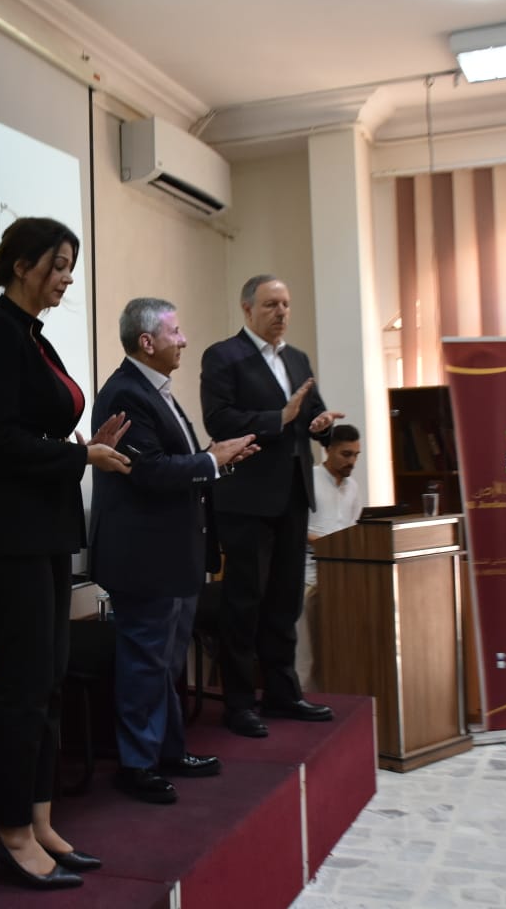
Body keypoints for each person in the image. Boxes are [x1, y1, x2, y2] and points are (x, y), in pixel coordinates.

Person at [0, 217, 131, 890]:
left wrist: (88, 445)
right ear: (22, 264)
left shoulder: (33, 337)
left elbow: (40, 431)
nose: (66, 279)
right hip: (10, 538)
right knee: (24, 688)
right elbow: (0, 442)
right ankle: (8, 834)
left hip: (46, 530)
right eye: (58, 266)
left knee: (49, 681)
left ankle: (39, 820)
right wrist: (80, 457)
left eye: (70, 268)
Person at [88, 298, 259, 803]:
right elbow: (147, 471)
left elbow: (177, 463)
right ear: (147, 342)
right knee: (145, 663)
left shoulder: (155, 388)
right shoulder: (125, 393)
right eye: (175, 332)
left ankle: (167, 751)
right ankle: (137, 765)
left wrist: (220, 460)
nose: (183, 340)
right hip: (145, 558)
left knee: (165, 663)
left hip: (174, 554)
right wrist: (211, 460)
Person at [200, 274, 343, 738]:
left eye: (285, 304)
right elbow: (219, 420)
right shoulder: (223, 356)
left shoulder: (297, 359)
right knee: (244, 603)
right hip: (246, 499)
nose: (281, 312)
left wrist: (322, 425)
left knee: (285, 601)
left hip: (293, 496)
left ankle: (283, 693)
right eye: (270, 305)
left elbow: (314, 416)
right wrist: (277, 419)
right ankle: (240, 703)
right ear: (247, 309)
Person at [297, 424, 363, 692]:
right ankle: (302, 698)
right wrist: (325, 544)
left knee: (339, 647)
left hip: (341, 577)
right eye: (346, 454)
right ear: (329, 450)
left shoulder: (353, 487)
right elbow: (294, 528)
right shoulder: (309, 479)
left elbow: (353, 527)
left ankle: (338, 697)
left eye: (356, 455)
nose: (352, 461)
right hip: (307, 575)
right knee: (304, 653)